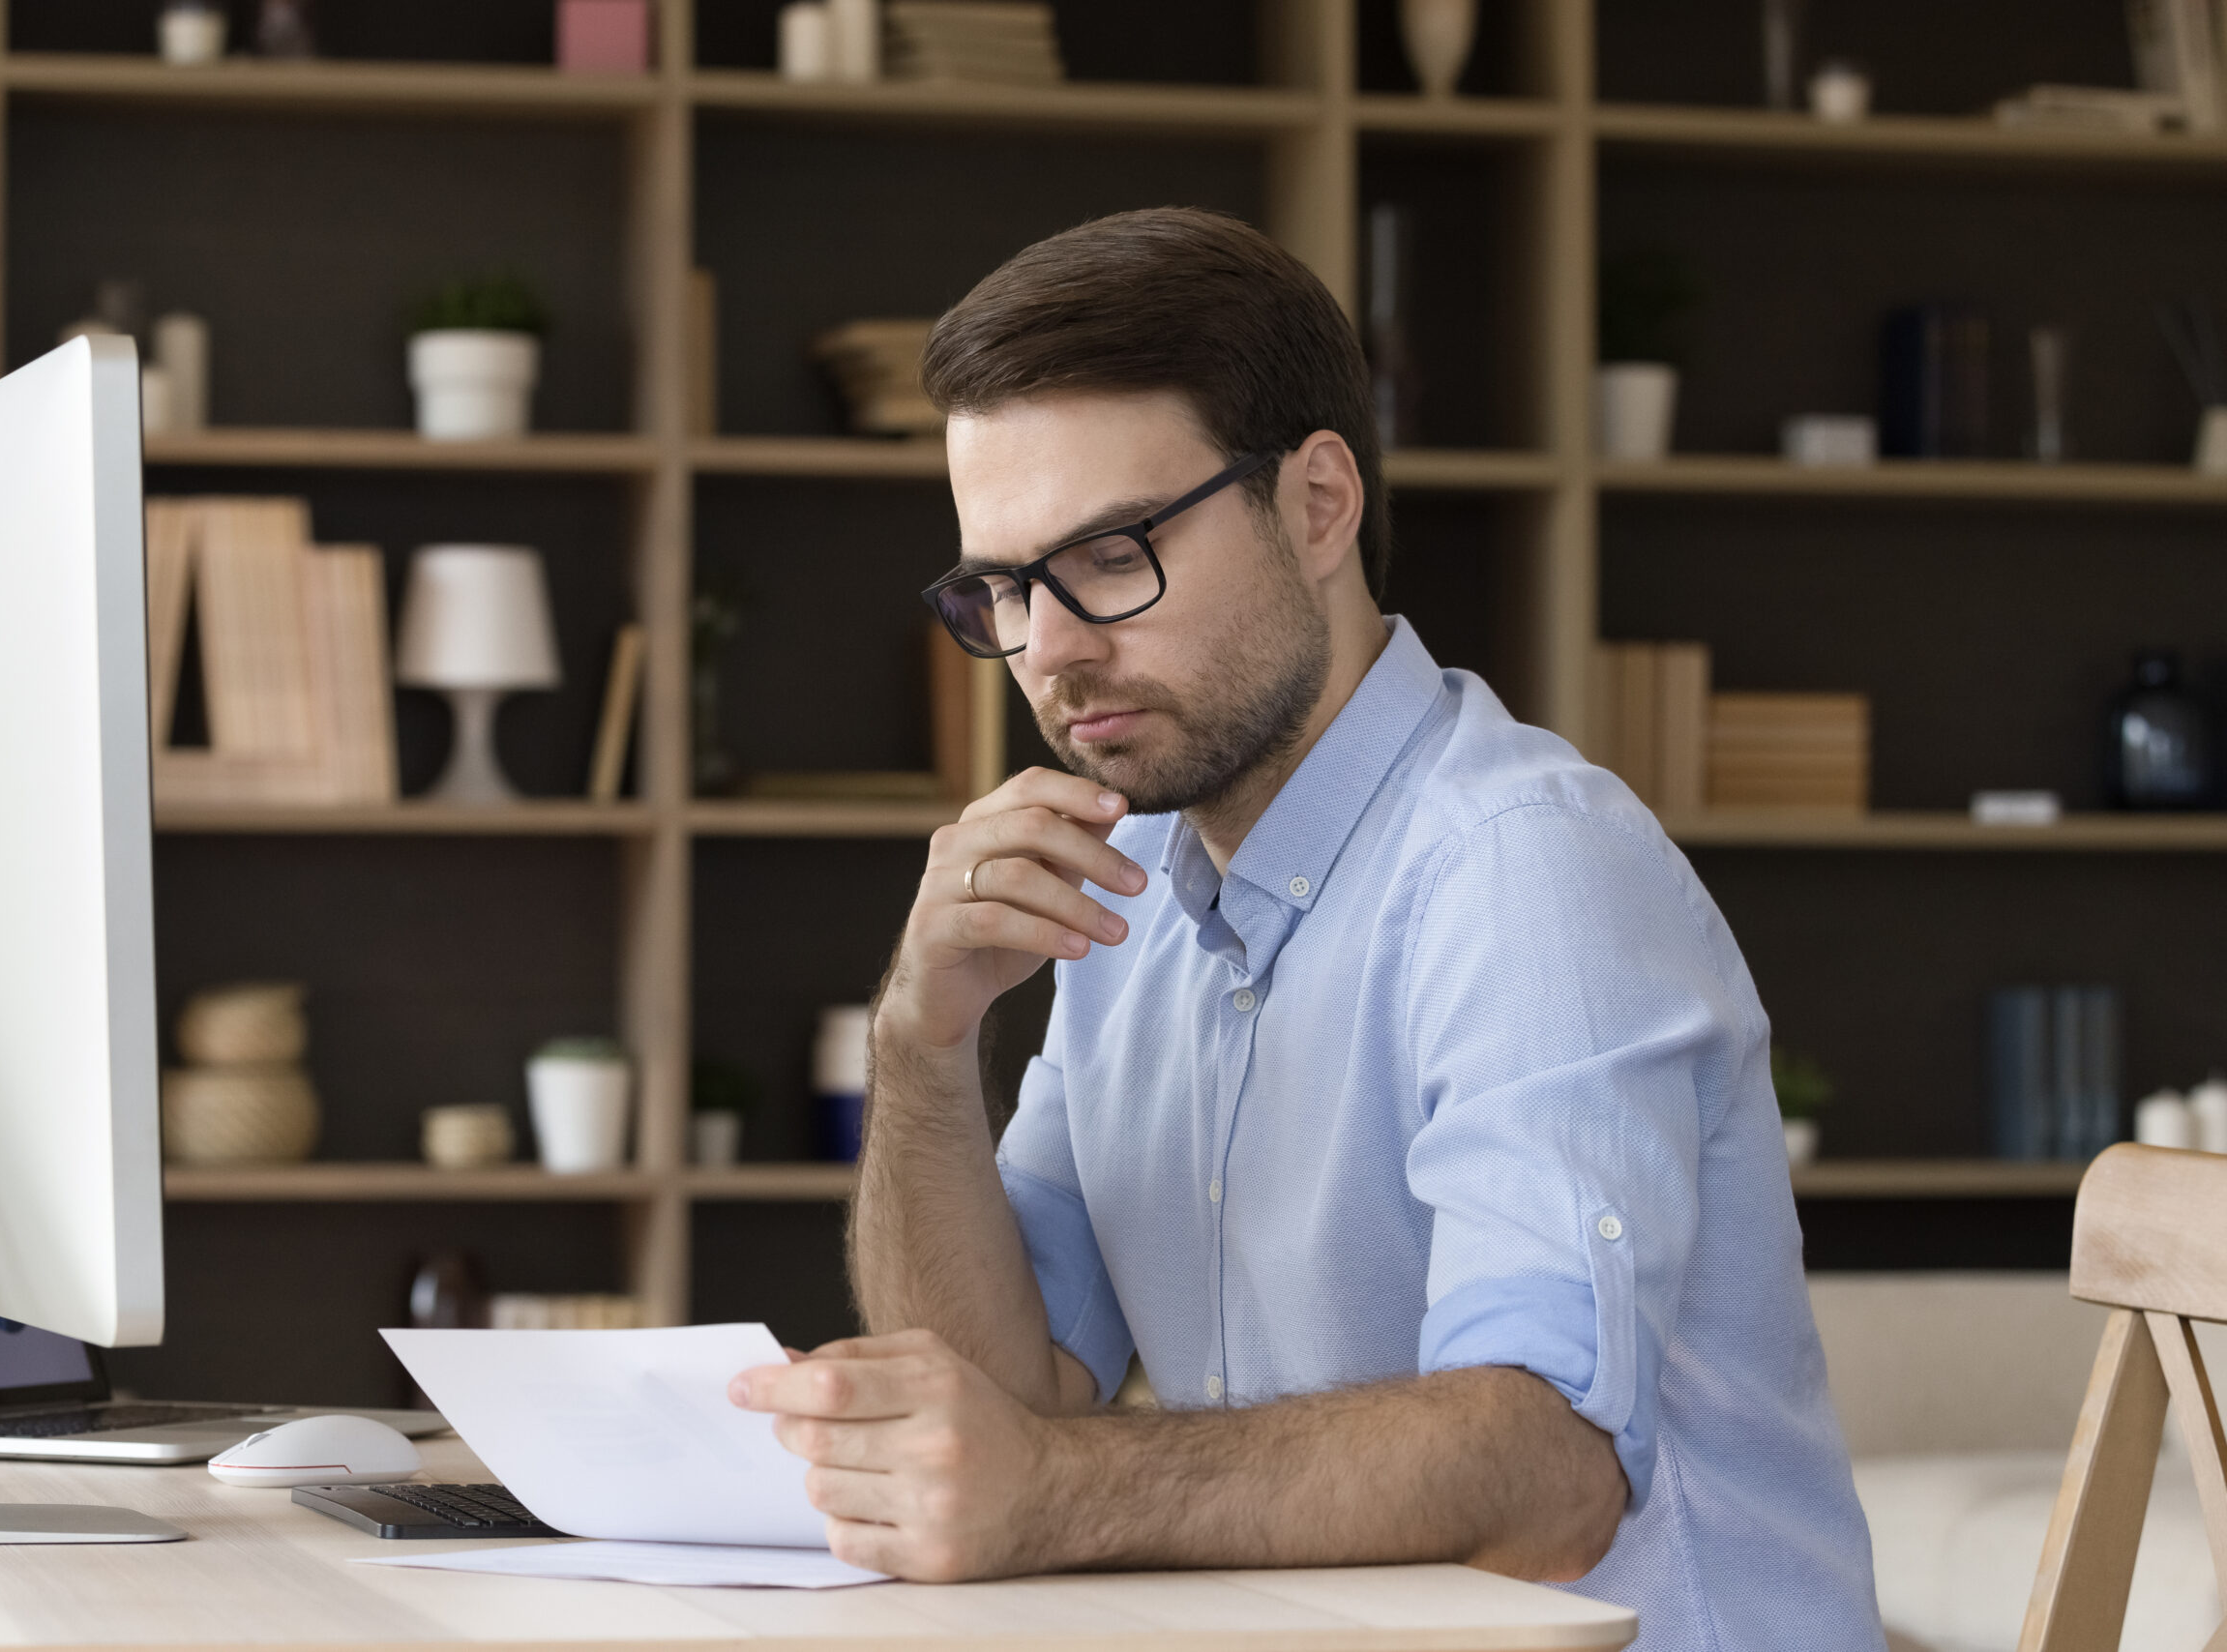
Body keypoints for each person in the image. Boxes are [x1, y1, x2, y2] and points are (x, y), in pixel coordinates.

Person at [727, 207, 1884, 1651]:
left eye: (1107, 555)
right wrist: (923, 1035)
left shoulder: (1526, 873)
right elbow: (1011, 1401)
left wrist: (1063, 1493)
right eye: (1005, 590)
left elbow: (1548, 1476)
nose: (1051, 650)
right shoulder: (1130, 887)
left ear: (1319, 505)